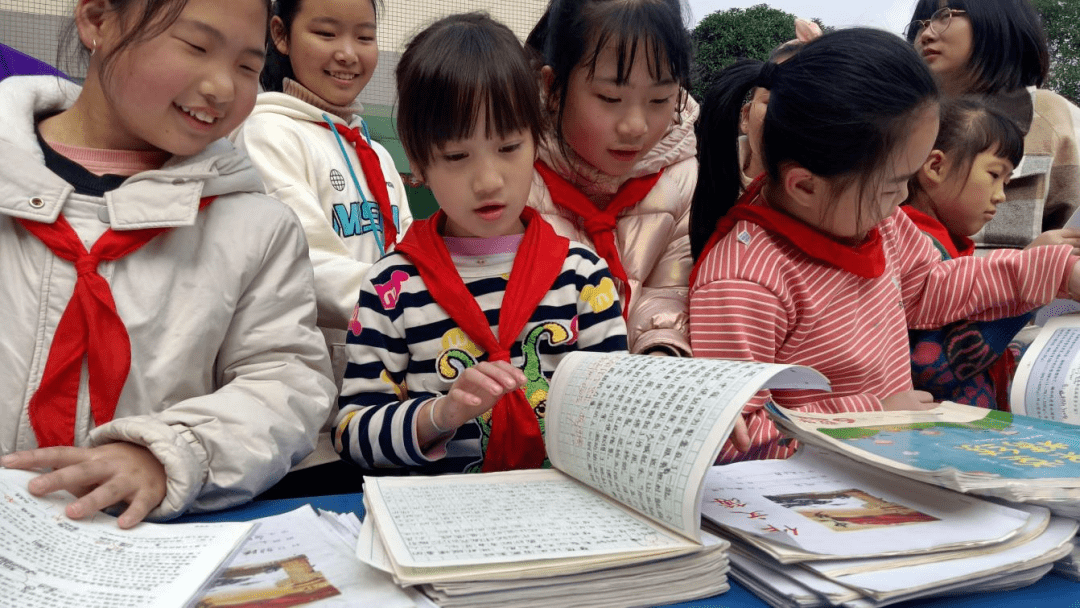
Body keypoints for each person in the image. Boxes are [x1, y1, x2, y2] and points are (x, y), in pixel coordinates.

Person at [0, 0, 335, 527]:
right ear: (97, 20)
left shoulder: (255, 226)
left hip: (141, 542)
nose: (222, 87)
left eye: (248, 66)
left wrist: (170, 453)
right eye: (196, 46)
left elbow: (285, 381)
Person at [688, 28, 1080, 464]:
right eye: (894, 184)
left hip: (893, 458)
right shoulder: (745, 281)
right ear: (805, 185)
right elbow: (728, 437)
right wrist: (871, 414)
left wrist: (1056, 271)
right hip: (821, 493)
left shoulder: (879, 224)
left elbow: (930, 286)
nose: (903, 201)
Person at [334, 13, 628, 476]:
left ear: (537, 142)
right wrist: (439, 416)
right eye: (456, 156)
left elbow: (619, 413)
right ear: (419, 163)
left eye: (509, 147)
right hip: (443, 528)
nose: (488, 181)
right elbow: (353, 432)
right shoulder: (393, 287)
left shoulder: (583, 277)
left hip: (565, 522)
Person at [230, 0, 412, 486]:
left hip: (387, 409)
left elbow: (415, 258)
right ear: (281, 35)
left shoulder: (376, 153)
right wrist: (418, 312)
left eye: (365, 37)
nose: (348, 54)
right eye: (327, 34)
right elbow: (305, 267)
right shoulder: (266, 133)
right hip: (313, 428)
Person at [524, 0, 696, 357]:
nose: (635, 126)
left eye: (659, 99)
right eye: (610, 97)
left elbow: (668, 291)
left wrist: (660, 349)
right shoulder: (517, 171)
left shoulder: (680, 177)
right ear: (553, 88)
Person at [903, 96, 1080, 408]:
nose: (1000, 196)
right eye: (994, 175)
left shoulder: (945, 244)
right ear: (936, 166)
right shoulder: (908, 244)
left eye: (1007, 181)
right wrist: (1039, 275)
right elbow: (931, 364)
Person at [907, 0, 1080, 252]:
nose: (926, 34)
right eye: (920, 25)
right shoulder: (897, 122)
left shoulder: (1051, 117)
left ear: (998, 18)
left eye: (943, 16)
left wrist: (1035, 268)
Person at [739, 18, 821, 186]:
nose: (786, 116)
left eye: (806, 106)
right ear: (746, 117)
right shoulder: (701, 186)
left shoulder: (842, 204)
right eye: (772, 101)